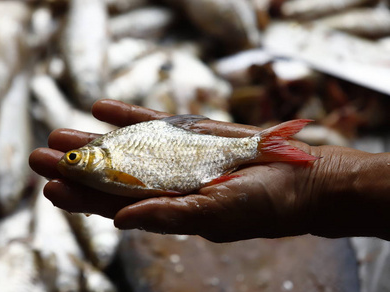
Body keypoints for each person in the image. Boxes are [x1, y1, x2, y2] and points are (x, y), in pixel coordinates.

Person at [29, 99, 390, 242]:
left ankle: (268, 147)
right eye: (73, 160)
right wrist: (312, 187)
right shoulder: (108, 159)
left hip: (201, 155)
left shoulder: (109, 160)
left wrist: (314, 187)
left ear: (93, 157)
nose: (70, 162)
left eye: (75, 158)